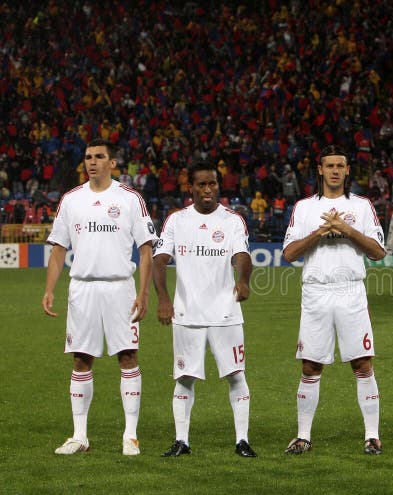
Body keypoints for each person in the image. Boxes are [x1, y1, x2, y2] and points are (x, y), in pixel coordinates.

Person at [42, 138, 157, 456]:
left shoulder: (130, 198)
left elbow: (146, 249)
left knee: (127, 357)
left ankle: (130, 436)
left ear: (112, 163)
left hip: (121, 288)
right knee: (81, 359)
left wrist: (144, 291)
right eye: (88, 157)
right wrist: (50, 289)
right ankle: (80, 437)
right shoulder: (71, 200)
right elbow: (58, 250)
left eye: (99, 157)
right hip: (83, 289)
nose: (92, 162)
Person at [282, 145, 386, 455]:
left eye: (341, 165)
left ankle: (371, 436)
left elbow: (378, 252)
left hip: (350, 290)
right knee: (311, 365)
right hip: (316, 292)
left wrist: (345, 229)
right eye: (330, 166)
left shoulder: (363, 206)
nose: (336, 171)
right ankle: (303, 436)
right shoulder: (304, 208)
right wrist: (320, 232)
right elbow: (289, 254)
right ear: (320, 170)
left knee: (362, 362)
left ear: (348, 170)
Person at [153, 160, 257, 458]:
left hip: (226, 312)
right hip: (187, 314)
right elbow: (160, 260)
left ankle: (242, 440)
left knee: (236, 375)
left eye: (213, 183)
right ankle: (181, 441)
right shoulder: (176, 220)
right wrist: (163, 299)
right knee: (184, 378)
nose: (208, 189)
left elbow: (242, 255)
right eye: (202, 184)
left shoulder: (232, 220)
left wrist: (244, 280)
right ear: (191, 188)